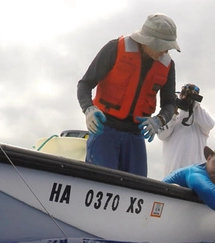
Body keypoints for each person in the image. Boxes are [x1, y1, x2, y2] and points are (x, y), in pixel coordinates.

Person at [76, 13, 179, 177]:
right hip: (104, 130)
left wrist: (159, 120)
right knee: (103, 182)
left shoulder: (168, 65)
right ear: (147, 40)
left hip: (135, 136)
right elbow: (85, 84)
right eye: (162, 45)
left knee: (137, 187)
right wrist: (88, 109)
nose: (165, 51)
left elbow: (169, 104)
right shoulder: (115, 48)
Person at [157, 83, 215, 176]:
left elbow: (210, 124)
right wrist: (173, 111)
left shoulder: (200, 120)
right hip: (172, 175)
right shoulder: (173, 118)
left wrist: (194, 105)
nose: (185, 97)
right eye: (183, 94)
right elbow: (161, 135)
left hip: (196, 175)